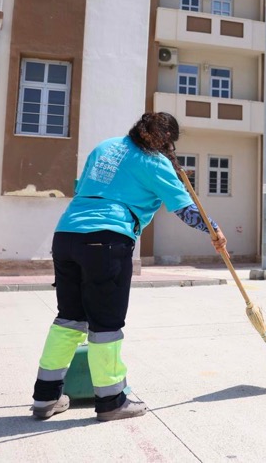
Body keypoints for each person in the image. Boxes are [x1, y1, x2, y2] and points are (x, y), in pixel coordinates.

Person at [30, 112, 227, 422]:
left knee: (69, 319)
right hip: (106, 241)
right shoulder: (155, 163)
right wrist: (215, 231)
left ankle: (45, 398)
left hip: (66, 235)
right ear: (167, 141)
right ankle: (111, 401)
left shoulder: (105, 147)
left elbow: (83, 186)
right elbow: (187, 210)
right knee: (105, 324)